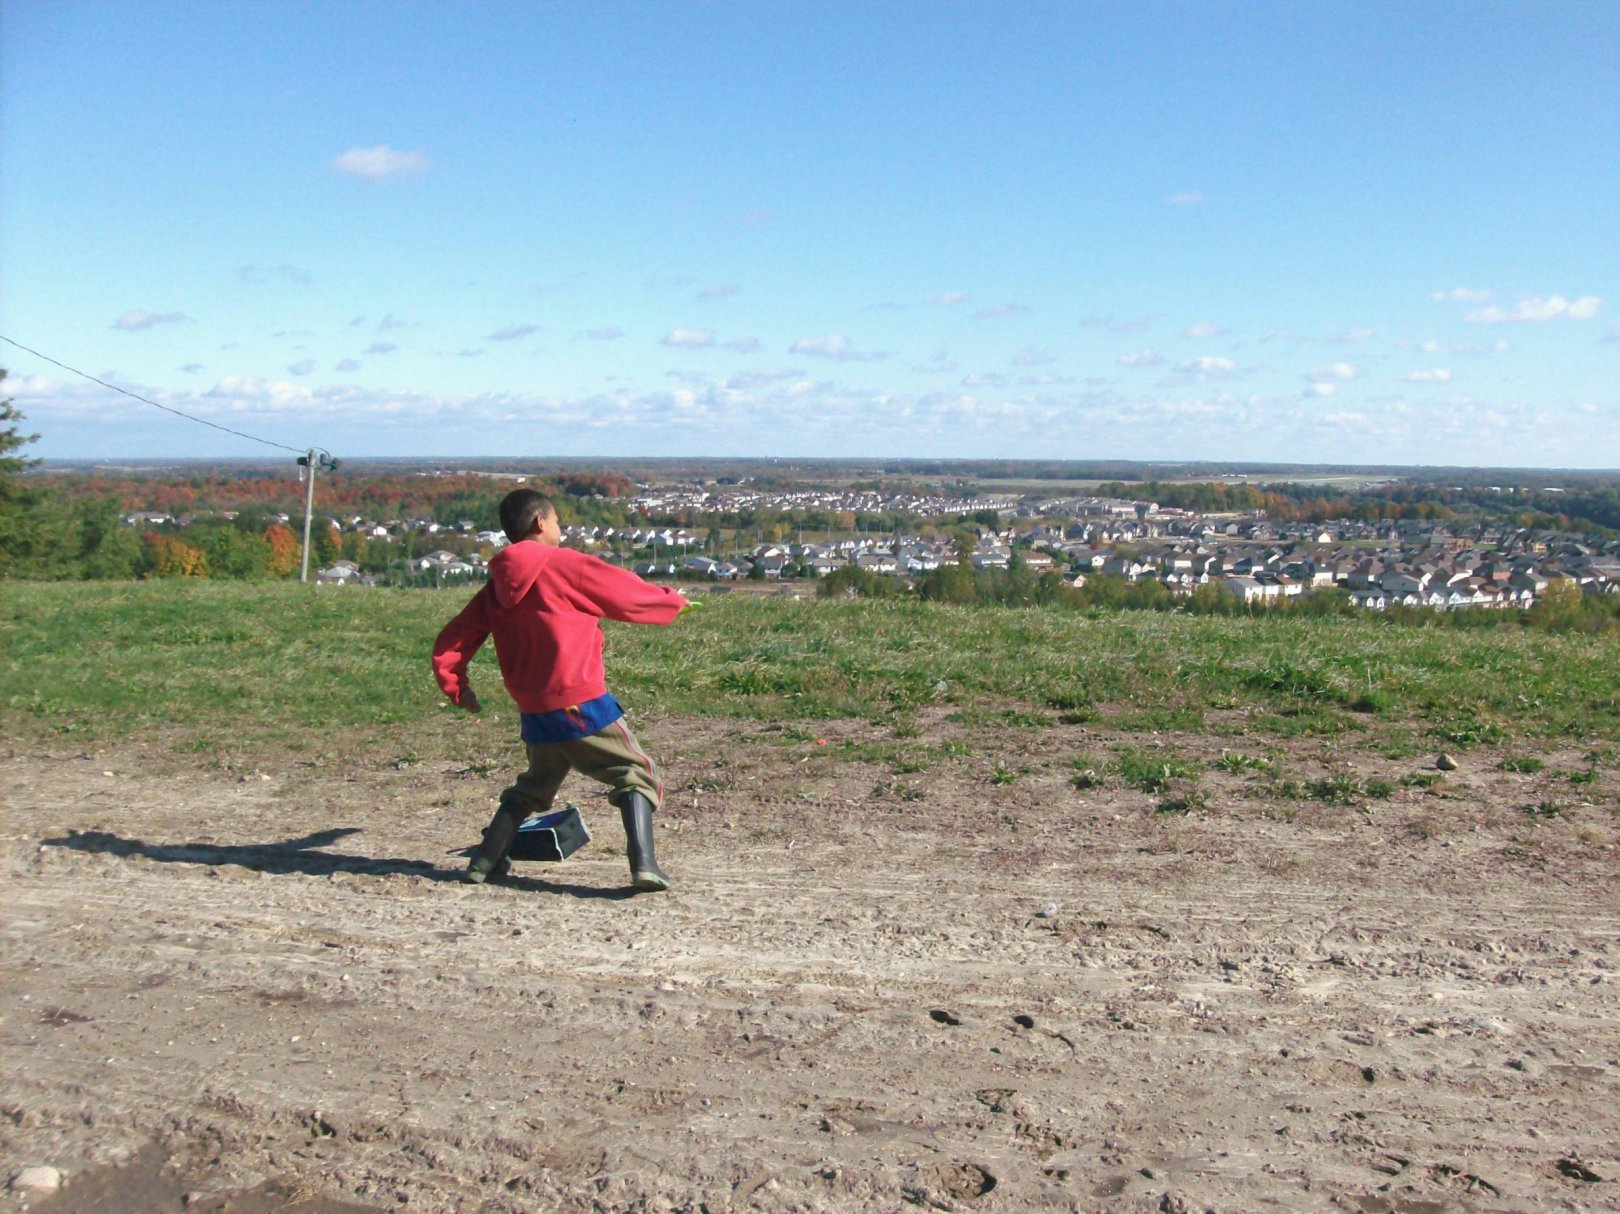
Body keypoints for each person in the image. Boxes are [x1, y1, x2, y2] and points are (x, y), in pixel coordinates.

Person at [432, 488, 689, 891]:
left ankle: (485, 860)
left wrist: (455, 683)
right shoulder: (564, 564)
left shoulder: (498, 582)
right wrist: (670, 601)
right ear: (540, 522)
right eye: (556, 521)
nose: (559, 528)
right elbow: (622, 592)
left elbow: (458, 636)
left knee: (536, 784)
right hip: (579, 699)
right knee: (636, 773)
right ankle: (645, 866)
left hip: (534, 707)